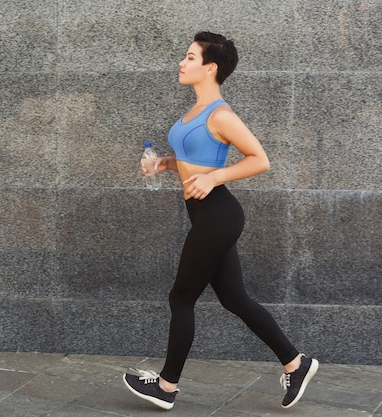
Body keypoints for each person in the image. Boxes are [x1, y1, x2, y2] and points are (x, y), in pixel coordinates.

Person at [122, 31, 318, 410]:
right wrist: (163, 163)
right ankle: (296, 363)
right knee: (234, 298)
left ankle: (166, 387)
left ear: (210, 68)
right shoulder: (193, 112)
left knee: (181, 297)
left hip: (218, 214)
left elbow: (259, 159)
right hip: (207, 215)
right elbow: (194, 158)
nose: (182, 62)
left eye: (191, 57)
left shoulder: (222, 114)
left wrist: (214, 177)